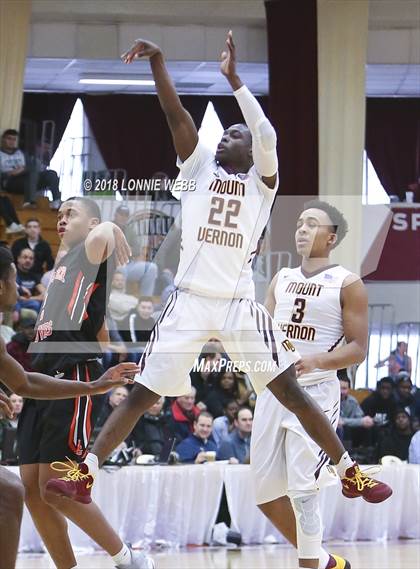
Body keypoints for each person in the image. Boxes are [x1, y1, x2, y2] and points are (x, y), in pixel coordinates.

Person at [46, 32, 391, 550]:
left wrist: (234, 82)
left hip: (236, 306)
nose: (228, 135)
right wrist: (159, 62)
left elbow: (267, 132)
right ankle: (87, 471)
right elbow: (174, 113)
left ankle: (347, 469)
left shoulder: (264, 184)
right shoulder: (200, 165)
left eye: (237, 132)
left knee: (291, 393)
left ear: (252, 149)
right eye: (226, 131)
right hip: (187, 300)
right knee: (143, 392)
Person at [251, 200, 391, 569]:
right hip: (272, 392)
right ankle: (326, 560)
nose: (301, 229)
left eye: (311, 224)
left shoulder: (348, 282)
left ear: (331, 237)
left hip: (315, 391)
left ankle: (310, 565)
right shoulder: (281, 278)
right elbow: (263, 332)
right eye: (298, 223)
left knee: (303, 491)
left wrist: (314, 360)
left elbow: (358, 349)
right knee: (265, 496)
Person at [17, 199, 154, 569]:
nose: (61, 221)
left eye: (70, 214)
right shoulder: (63, 266)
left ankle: (128, 559)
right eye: (58, 215)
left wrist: (109, 226)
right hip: (40, 380)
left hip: (71, 375)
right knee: (32, 489)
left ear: (92, 222)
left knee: (57, 485)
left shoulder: (88, 253)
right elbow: (101, 331)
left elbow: (103, 236)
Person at [113, 204, 158, 296]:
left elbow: (137, 250)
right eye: (121, 214)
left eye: (125, 215)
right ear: (115, 215)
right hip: (112, 265)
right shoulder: (108, 227)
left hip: (129, 264)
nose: (123, 217)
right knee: (121, 267)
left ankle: (145, 300)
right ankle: (119, 299)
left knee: (151, 268)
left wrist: (125, 248)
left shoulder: (130, 230)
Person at [338, 375, 374, 446]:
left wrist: (345, 421)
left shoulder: (352, 401)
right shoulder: (329, 401)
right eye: (339, 388)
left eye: (344, 388)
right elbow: (337, 422)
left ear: (349, 389)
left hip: (349, 432)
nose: (341, 392)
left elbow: (362, 420)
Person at [14, 247, 46, 315]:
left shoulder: (34, 276)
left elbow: (45, 294)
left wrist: (31, 298)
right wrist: (37, 298)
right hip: (15, 303)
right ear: (18, 259)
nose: (28, 260)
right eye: (25, 257)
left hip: (30, 302)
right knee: (35, 304)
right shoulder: (13, 273)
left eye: (31, 258)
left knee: (41, 305)